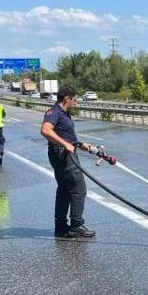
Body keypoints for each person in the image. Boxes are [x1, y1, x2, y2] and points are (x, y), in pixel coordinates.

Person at [40, 86, 95, 238]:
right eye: (75, 100)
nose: (76, 103)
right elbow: (45, 130)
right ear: (67, 99)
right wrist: (65, 145)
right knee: (78, 187)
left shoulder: (64, 113)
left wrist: (82, 145)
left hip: (64, 153)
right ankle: (76, 224)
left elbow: (66, 135)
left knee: (64, 190)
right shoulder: (55, 112)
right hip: (63, 155)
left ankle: (61, 226)